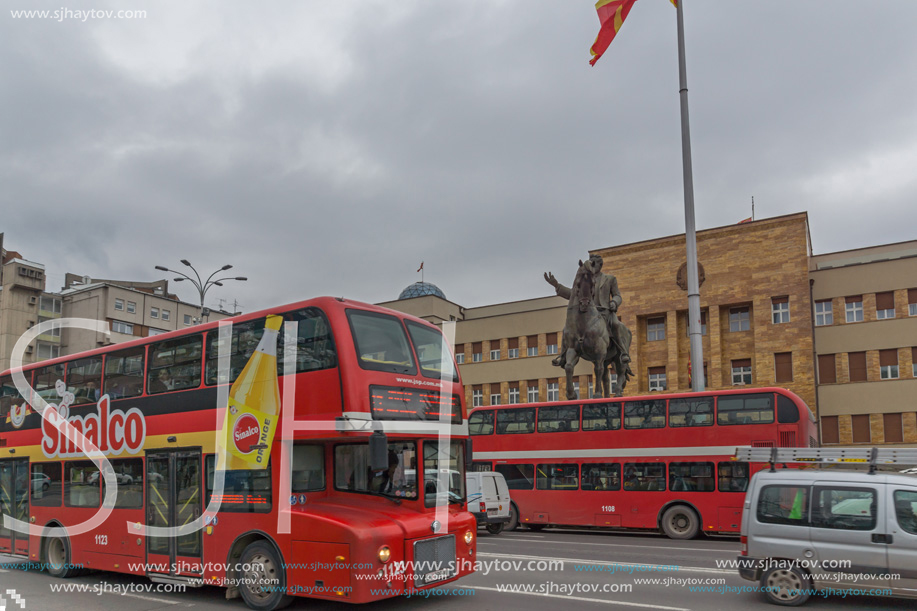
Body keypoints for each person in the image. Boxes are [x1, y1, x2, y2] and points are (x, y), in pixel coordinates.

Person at [544, 254, 632, 369]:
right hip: (588, 314)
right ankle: (563, 355)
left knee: (616, 324)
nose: (593, 265)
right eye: (591, 263)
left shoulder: (610, 279)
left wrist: (614, 302)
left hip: (605, 312)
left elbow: (617, 296)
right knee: (567, 329)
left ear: (600, 265)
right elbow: (573, 294)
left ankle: (623, 352)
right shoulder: (585, 279)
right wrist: (557, 285)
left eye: (595, 263)